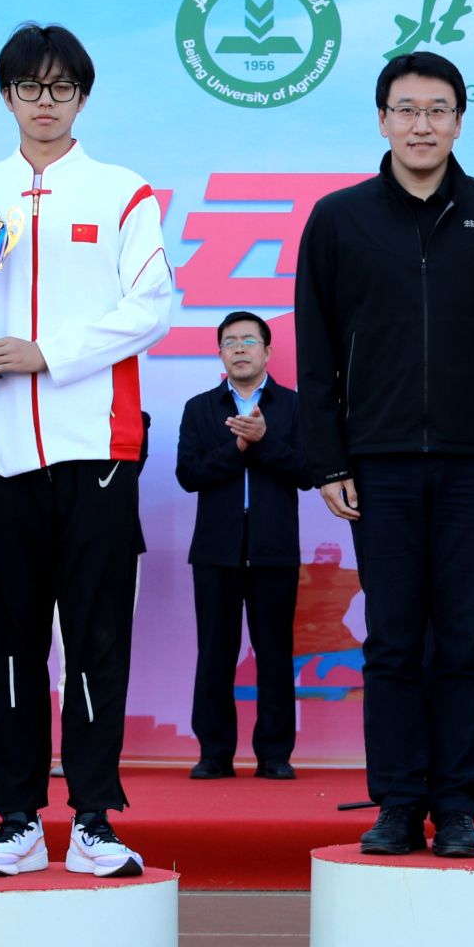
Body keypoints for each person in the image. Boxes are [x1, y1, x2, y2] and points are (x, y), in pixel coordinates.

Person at [294, 49, 474, 860]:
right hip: (380, 462)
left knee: (468, 638)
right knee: (394, 638)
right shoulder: (340, 219)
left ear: (460, 121)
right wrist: (330, 459)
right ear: (382, 120)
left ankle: (460, 804)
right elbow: (316, 348)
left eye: (438, 110)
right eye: (406, 109)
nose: (422, 125)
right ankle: (400, 801)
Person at [0, 23, 175, 880]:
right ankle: (15, 815)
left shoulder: (121, 191)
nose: (44, 102)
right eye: (29, 87)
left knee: (94, 634)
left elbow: (151, 302)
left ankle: (92, 816)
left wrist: (48, 351)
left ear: (83, 96)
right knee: (7, 639)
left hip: (97, 446)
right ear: (6, 95)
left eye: (60, 88)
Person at [176, 310, 304, 780]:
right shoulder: (200, 408)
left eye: (249, 340)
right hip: (215, 550)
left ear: (267, 351)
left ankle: (274, 754)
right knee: (215, 653)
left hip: (275, 548)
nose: (240, 349)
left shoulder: (293, 407)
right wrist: (237, 449)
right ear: (220, 354)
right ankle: (214, 753)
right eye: (230, 342)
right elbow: (189, 475)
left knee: (275, 652)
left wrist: (264, 442)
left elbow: (308, 472)